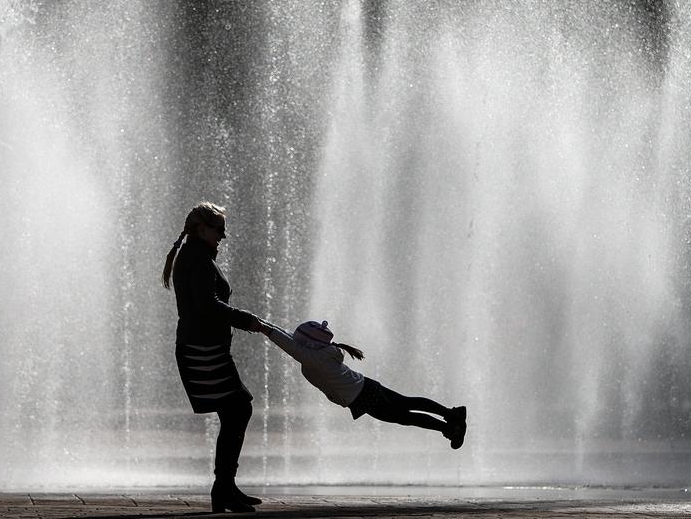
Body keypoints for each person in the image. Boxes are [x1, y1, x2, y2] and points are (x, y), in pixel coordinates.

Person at [162, 202, 263, 513]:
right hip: (200, 349)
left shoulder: (198, 255)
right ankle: (223, 488)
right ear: (201, 228)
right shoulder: (196, 258)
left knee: (235, 411)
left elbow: (209, 303)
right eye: (218, 229)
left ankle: (225, 487)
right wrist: (245, 319)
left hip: (204, 347)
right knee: (238, 408)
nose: (223, 235)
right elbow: (208, 305)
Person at [257, 319, 467, 448]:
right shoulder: (320, 354)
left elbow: (288, 344)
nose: (297, 344)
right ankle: (450, 415)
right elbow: (290, 340)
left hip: (363, 396)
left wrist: (264, 330)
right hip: (366, 387)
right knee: (406, 404)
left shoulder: (314, 359)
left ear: (309, 346)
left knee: (405, 416)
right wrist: (263, 324)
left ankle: (450, 428)